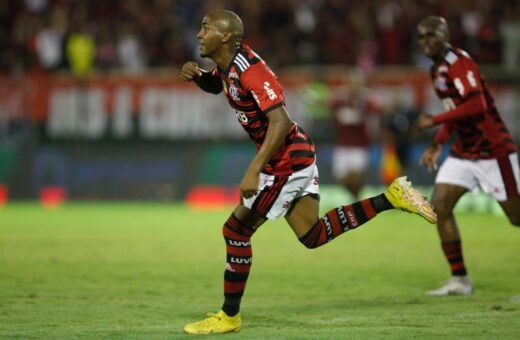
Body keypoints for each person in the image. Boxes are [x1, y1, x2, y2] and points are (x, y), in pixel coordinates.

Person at [180, 10, 437, 335]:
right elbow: (220, 87)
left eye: (206, 27)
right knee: (312, 235)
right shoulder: (228, 65)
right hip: (294, 154)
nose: (200, 33)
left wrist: (254, 169)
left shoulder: (251, 71)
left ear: (227, 36)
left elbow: (280, 121)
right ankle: (391, 197)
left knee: (235, 231)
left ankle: (229, 316)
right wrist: (202, 78)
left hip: (285, 160)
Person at [416, 16, 520, 297]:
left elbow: (476, 104)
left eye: (432, 35)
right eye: (422, 37)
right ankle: (460, 279)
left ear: (445, 35)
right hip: (465, 150)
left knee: (516, 217)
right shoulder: (436, 68)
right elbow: (456, 110)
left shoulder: (459, 62)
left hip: (493, 150)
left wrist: (434, 119)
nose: (427, 42)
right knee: (440, 206)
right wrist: (438, 143)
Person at [329, 70, 383, 200]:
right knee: (341, 178)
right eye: (352, 82)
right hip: (342, 144)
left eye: (357, 83)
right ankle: (356, 197)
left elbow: (379, 109)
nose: (354, 86)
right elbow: (330, 107)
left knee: (356, 176)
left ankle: (356, 199)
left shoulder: (367, 98)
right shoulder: (340, 97)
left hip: (360, 145)